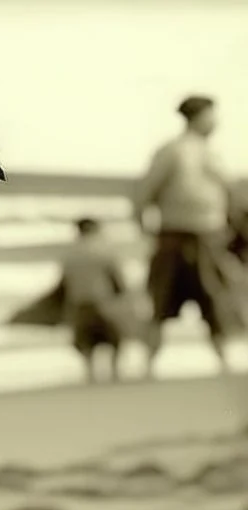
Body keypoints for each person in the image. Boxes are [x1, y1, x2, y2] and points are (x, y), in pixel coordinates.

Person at [133, 95, 244, 376]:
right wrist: (143, 225)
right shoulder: (174, 150)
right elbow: (145, 192)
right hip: (176, 236)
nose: (216, 122)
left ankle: (224, 362)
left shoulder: (212, 152)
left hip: (211, 236)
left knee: (216, 300)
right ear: (198, 116)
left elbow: (232, 196)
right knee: (162, 300)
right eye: (211, 115)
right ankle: (148, 365)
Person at [59, 217, 137, 383]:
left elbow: (64, 284)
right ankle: (115, 371)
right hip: (104, 302)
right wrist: (126, 300)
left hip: (80, 304)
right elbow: (117, 279)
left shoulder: (70, 253)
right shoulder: (104, 250)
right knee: (114, 338)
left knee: (85, 341)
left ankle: (90, 372)